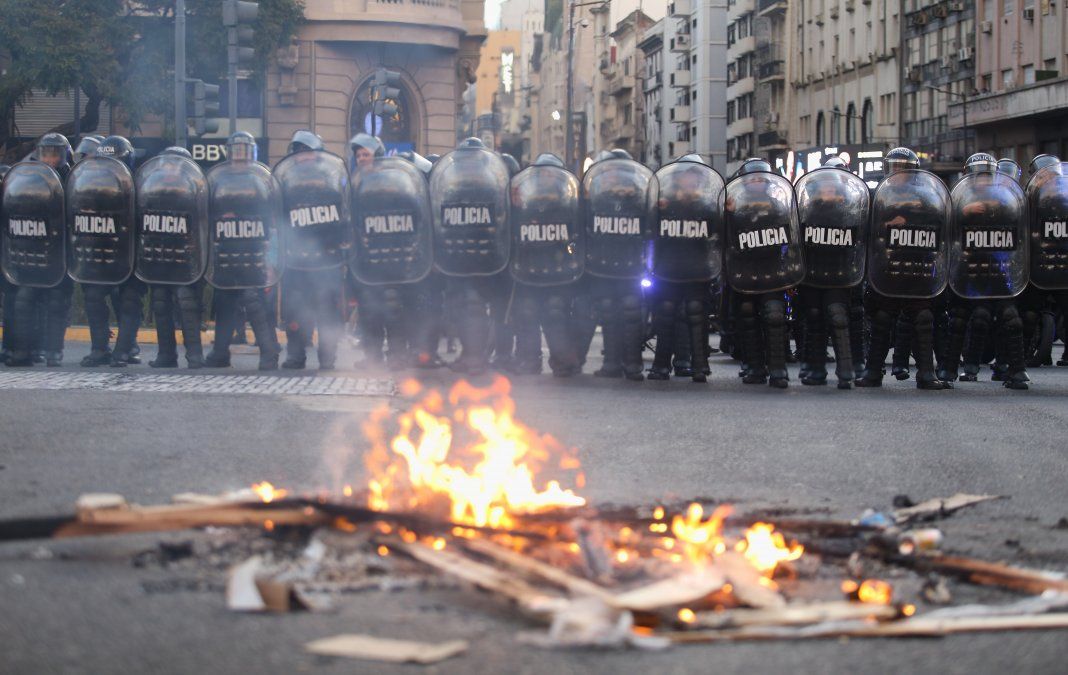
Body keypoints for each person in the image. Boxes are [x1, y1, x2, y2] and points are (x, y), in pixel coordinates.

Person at [858, 147, 952, 389]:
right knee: (881, 318)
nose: (898, 174)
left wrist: (910, 219)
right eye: (895, 168)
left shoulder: (927, 196)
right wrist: (888, 224)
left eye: (903, 169)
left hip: (917, 267)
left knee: (923, 317)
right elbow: (865, 228)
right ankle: (872, 372)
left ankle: (926, 374)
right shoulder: (876, 194)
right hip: (887, 267)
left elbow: (939, 225)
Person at [203, 131, 282, 369]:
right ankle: (219, 354)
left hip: (252, 249)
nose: (239, 155)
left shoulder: (261, 179)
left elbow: (270, 215)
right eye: (235, 150)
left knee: (253, 301)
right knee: (225, 302)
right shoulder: (218, 179)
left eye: (244, 150)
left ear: (252, 152)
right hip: (226, 249)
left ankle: (269, 354)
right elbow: (208, 210)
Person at [724, 158, 805, 388]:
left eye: (762, 178)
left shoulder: (778, 206)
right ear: (745, 182)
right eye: (753, 178)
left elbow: (791, 237)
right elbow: (724, 239)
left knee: (775, 315)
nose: (758, 181)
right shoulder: (734, 206)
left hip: (772, 271)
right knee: (747, 316)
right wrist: (728, 214)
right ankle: (755, 366)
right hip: (744, 272)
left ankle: (778, 369)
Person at [275, 130, 349, 370]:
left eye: (306, 152)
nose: (302, 157)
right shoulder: (285, 185)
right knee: (295, 312)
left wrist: (343, 246)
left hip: (327, 261)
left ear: (316, 155)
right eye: (298, 152)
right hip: (296, 263)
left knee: (328, 313)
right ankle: (296, 356)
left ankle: (328, 358)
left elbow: (343, 218)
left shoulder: (331, 182)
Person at [646, 154, 724, 383]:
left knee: (696, 311)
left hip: (697, 269)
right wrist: (656, 208)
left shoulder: (708, 206)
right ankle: (661, 366)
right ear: (678, 180)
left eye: (694, 179)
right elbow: (650, 230)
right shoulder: (664, 203)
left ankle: (700, 365)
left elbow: (718, 232)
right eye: (686, 178)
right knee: (666, 312)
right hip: (668, 268)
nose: (689, 182)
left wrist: (725, 210)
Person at [794, 156, 870, 388]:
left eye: (833, 187)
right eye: (825, 187)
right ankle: (816, 369)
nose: (829, 190)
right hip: (812, 274)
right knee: (815, 318)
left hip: (840, 274)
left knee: (838, 316)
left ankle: (846, 369)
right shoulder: (805, 210)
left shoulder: (852, 210)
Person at [509, 153, 585, 377]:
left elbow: (577, 235)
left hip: (558, 270)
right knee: (527, 311)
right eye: (542, 175)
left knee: (556, 312)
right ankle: (529, 360)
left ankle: (562, 361)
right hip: (528, 268)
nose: (546, 178)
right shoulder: (524, 202)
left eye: (550, 174)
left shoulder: (571, 201)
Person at [135, 146, 207, 368]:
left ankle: (194, 355)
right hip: (158, 257)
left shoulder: (194, 189)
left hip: (185, 258)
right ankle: (166, 355)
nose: (169, 168)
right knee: (160, 304)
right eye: (166, 163)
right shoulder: (151, 188)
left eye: (174, 164)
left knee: (187, 304)